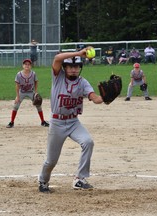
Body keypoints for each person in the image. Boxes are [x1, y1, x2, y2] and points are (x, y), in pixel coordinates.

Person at [38, 48, 104, 193]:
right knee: (51, 160)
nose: (74, 70)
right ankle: (43, 181)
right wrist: (78, 54)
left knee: (88, 142)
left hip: (74, 122)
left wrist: (106, 98)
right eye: (70, 67)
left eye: (76, 67)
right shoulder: (58, 77)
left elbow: (95, 99)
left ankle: (79, 179)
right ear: (65, 68)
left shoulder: (82, 82)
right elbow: (57, 58)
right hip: (57, 123)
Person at [6, 59, 49, 128]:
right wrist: (17, 96)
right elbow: (17, 86)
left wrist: (36, 91)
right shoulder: (19, 74)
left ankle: (43, 121)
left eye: (28, 64)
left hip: (31, 92)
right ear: (23, 66)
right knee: (16, 106)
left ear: (31, 66)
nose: (27, 66)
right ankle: (12, 122)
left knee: (38, 105)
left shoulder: (33, 74)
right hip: (22, 92)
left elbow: (36, 81)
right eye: (25, 64)